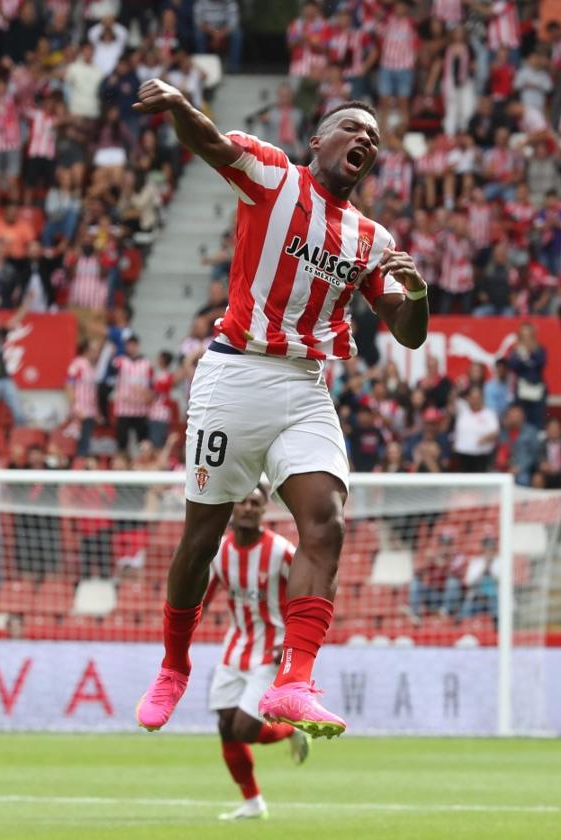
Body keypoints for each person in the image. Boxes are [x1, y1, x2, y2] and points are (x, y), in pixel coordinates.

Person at [130, 81, 429, 737]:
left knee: (326, 523)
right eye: (353, 128)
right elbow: (208, 141)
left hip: (305, 387)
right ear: (318, 140)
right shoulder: (273, 176)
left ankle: (294, 682)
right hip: (236, 373)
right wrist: (182, 107)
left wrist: (419, 298)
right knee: (202, 537)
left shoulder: (370, 238)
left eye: (374, 139)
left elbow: (405, 329)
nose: (366, 141)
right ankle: (175, 664)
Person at [204, 485, 309, 822]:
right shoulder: (219, 552)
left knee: (245, 729)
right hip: (235, 649)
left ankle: (291, 729)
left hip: (272, 651)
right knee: (225, 726)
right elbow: (200, 598)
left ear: (264, 510)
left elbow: (307, 595)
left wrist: (294, 641)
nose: (249, 508)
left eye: (256, 503)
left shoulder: (281, 551)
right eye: (243, 502)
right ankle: (252, 803)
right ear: (232, 507)